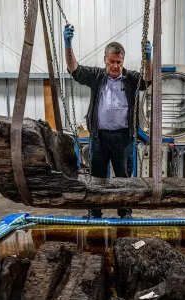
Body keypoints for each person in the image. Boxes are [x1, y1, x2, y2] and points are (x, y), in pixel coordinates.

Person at [63, 24, 153, 219]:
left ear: (123, 61)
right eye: (111, 61)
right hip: (99, 137)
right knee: (97, 178)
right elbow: (74, 69)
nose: (115, 66)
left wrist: (148, 59)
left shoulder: (130, 79)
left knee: (124, 179)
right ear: (105, 60)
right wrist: (68, 45)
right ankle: (95, 212)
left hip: (123, 138)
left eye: (119, 62)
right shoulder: (96, 76)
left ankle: (125, 212)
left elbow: (147, 80)